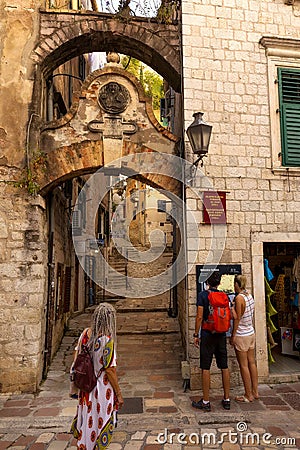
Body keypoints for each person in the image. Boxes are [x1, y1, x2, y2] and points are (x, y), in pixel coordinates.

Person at [71, 302, 124, 449]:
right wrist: (118, 394)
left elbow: (76, 357)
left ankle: (84, 445)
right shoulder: (107, 341)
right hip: (101, 388)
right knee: (99, 420)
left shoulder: (85, 334)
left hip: (86, 386)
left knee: (88, 418)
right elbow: (110, 370)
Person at [192, 271, 230, 412]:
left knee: (206, 367)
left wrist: (196, 334)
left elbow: (199, 317)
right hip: (221, 334)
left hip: (208, 334)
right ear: (219, 283)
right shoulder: (224, 296)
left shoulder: (203, 295)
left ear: (207, 282)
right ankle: (226, 399)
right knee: (224, 366)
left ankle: (206, 401)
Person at [230, 274, 259, 402]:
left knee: (243, 365)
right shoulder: (249, 296)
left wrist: (233, 335)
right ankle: (255, 391)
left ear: (237, 284)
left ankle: (248, 395)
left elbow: (237, 318)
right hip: (251, 333)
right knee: (252, 362)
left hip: (241, 334)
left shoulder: (239, 298)